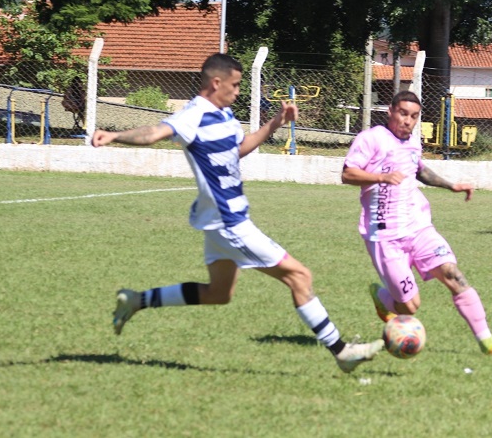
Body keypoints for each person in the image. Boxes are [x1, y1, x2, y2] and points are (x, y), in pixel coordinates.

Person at [91, 53, 383, 373]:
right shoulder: (194, 115)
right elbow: (154, 133)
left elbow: (240, 148)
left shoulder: (225, 114)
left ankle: (137, 300)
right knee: (300, 276)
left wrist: (275, 123)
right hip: (230, 222)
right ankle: (342, 352)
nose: (238, 90)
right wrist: (115, 136)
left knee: (218, 293)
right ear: (216, 82)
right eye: (235, 84)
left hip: (219, 222)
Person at [341, 90, 492, 357]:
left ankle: (488, 342)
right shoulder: (371, 139)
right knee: (410, 307)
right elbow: (348, 173)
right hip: (385, 236)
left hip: (417, 227)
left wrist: (451, 185)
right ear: (391, 111)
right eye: (403, 113)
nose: (407, 121)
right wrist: (381, 177)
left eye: (414, 116)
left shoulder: (413, 143)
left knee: (452, 273)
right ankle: (383, 298)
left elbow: (419, 170)